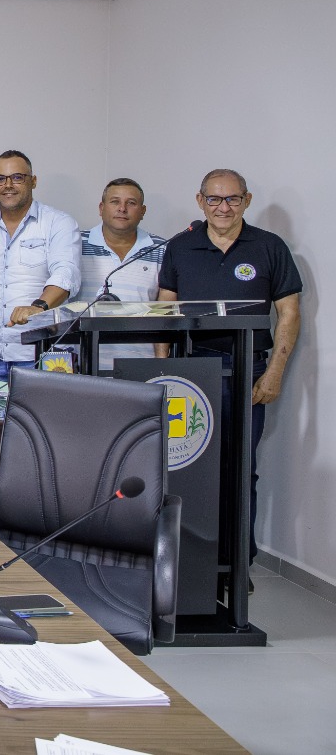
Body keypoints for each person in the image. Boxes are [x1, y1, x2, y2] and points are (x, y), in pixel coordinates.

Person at [157, 168, 301, 565]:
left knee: (240, 470)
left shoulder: (269, 247)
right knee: (187, 470)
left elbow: (289, 313)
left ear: (246, 201)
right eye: (215, 199)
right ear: (200, 201)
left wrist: (274, 373)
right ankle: (189, 564)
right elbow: (164, 309)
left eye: (233, 199)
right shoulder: (180, 246)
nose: (224, 207)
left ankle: (237, 564)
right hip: (190, 371)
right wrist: (162, 371)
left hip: (246, 372)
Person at [0, 151, 81, 382]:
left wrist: (38, 307)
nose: (8, 185)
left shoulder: (58, 223)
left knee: (42, 408)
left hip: (43, 354)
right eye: (0, 179)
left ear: (33, 181)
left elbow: (66, 275)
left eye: (17, 177)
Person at [76, 178, 166, 369]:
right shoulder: (75, 243)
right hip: (82, 363)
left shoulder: (161, 249)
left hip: (140, 364)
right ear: (101, 208)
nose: (122, 209)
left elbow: (164, 310)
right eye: (115, 201)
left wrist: (161, 364)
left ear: (143, 211)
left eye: (131, 203)